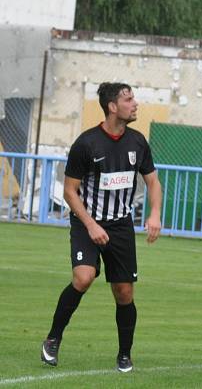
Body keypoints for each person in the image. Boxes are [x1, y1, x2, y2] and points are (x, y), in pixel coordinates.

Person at [40, 82, 162, 373]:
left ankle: (124, 354)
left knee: (124, 293)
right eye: (129, 99)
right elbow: (70, 191)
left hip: (120, 226)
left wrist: (155, 213)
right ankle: (53, 339)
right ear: (112, 106)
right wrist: (91, 224)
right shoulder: (87, 143)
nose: (135, 104)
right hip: (86, 222)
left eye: (134, 98)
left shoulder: (137, 142)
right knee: (83, 278)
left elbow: (153, 181)